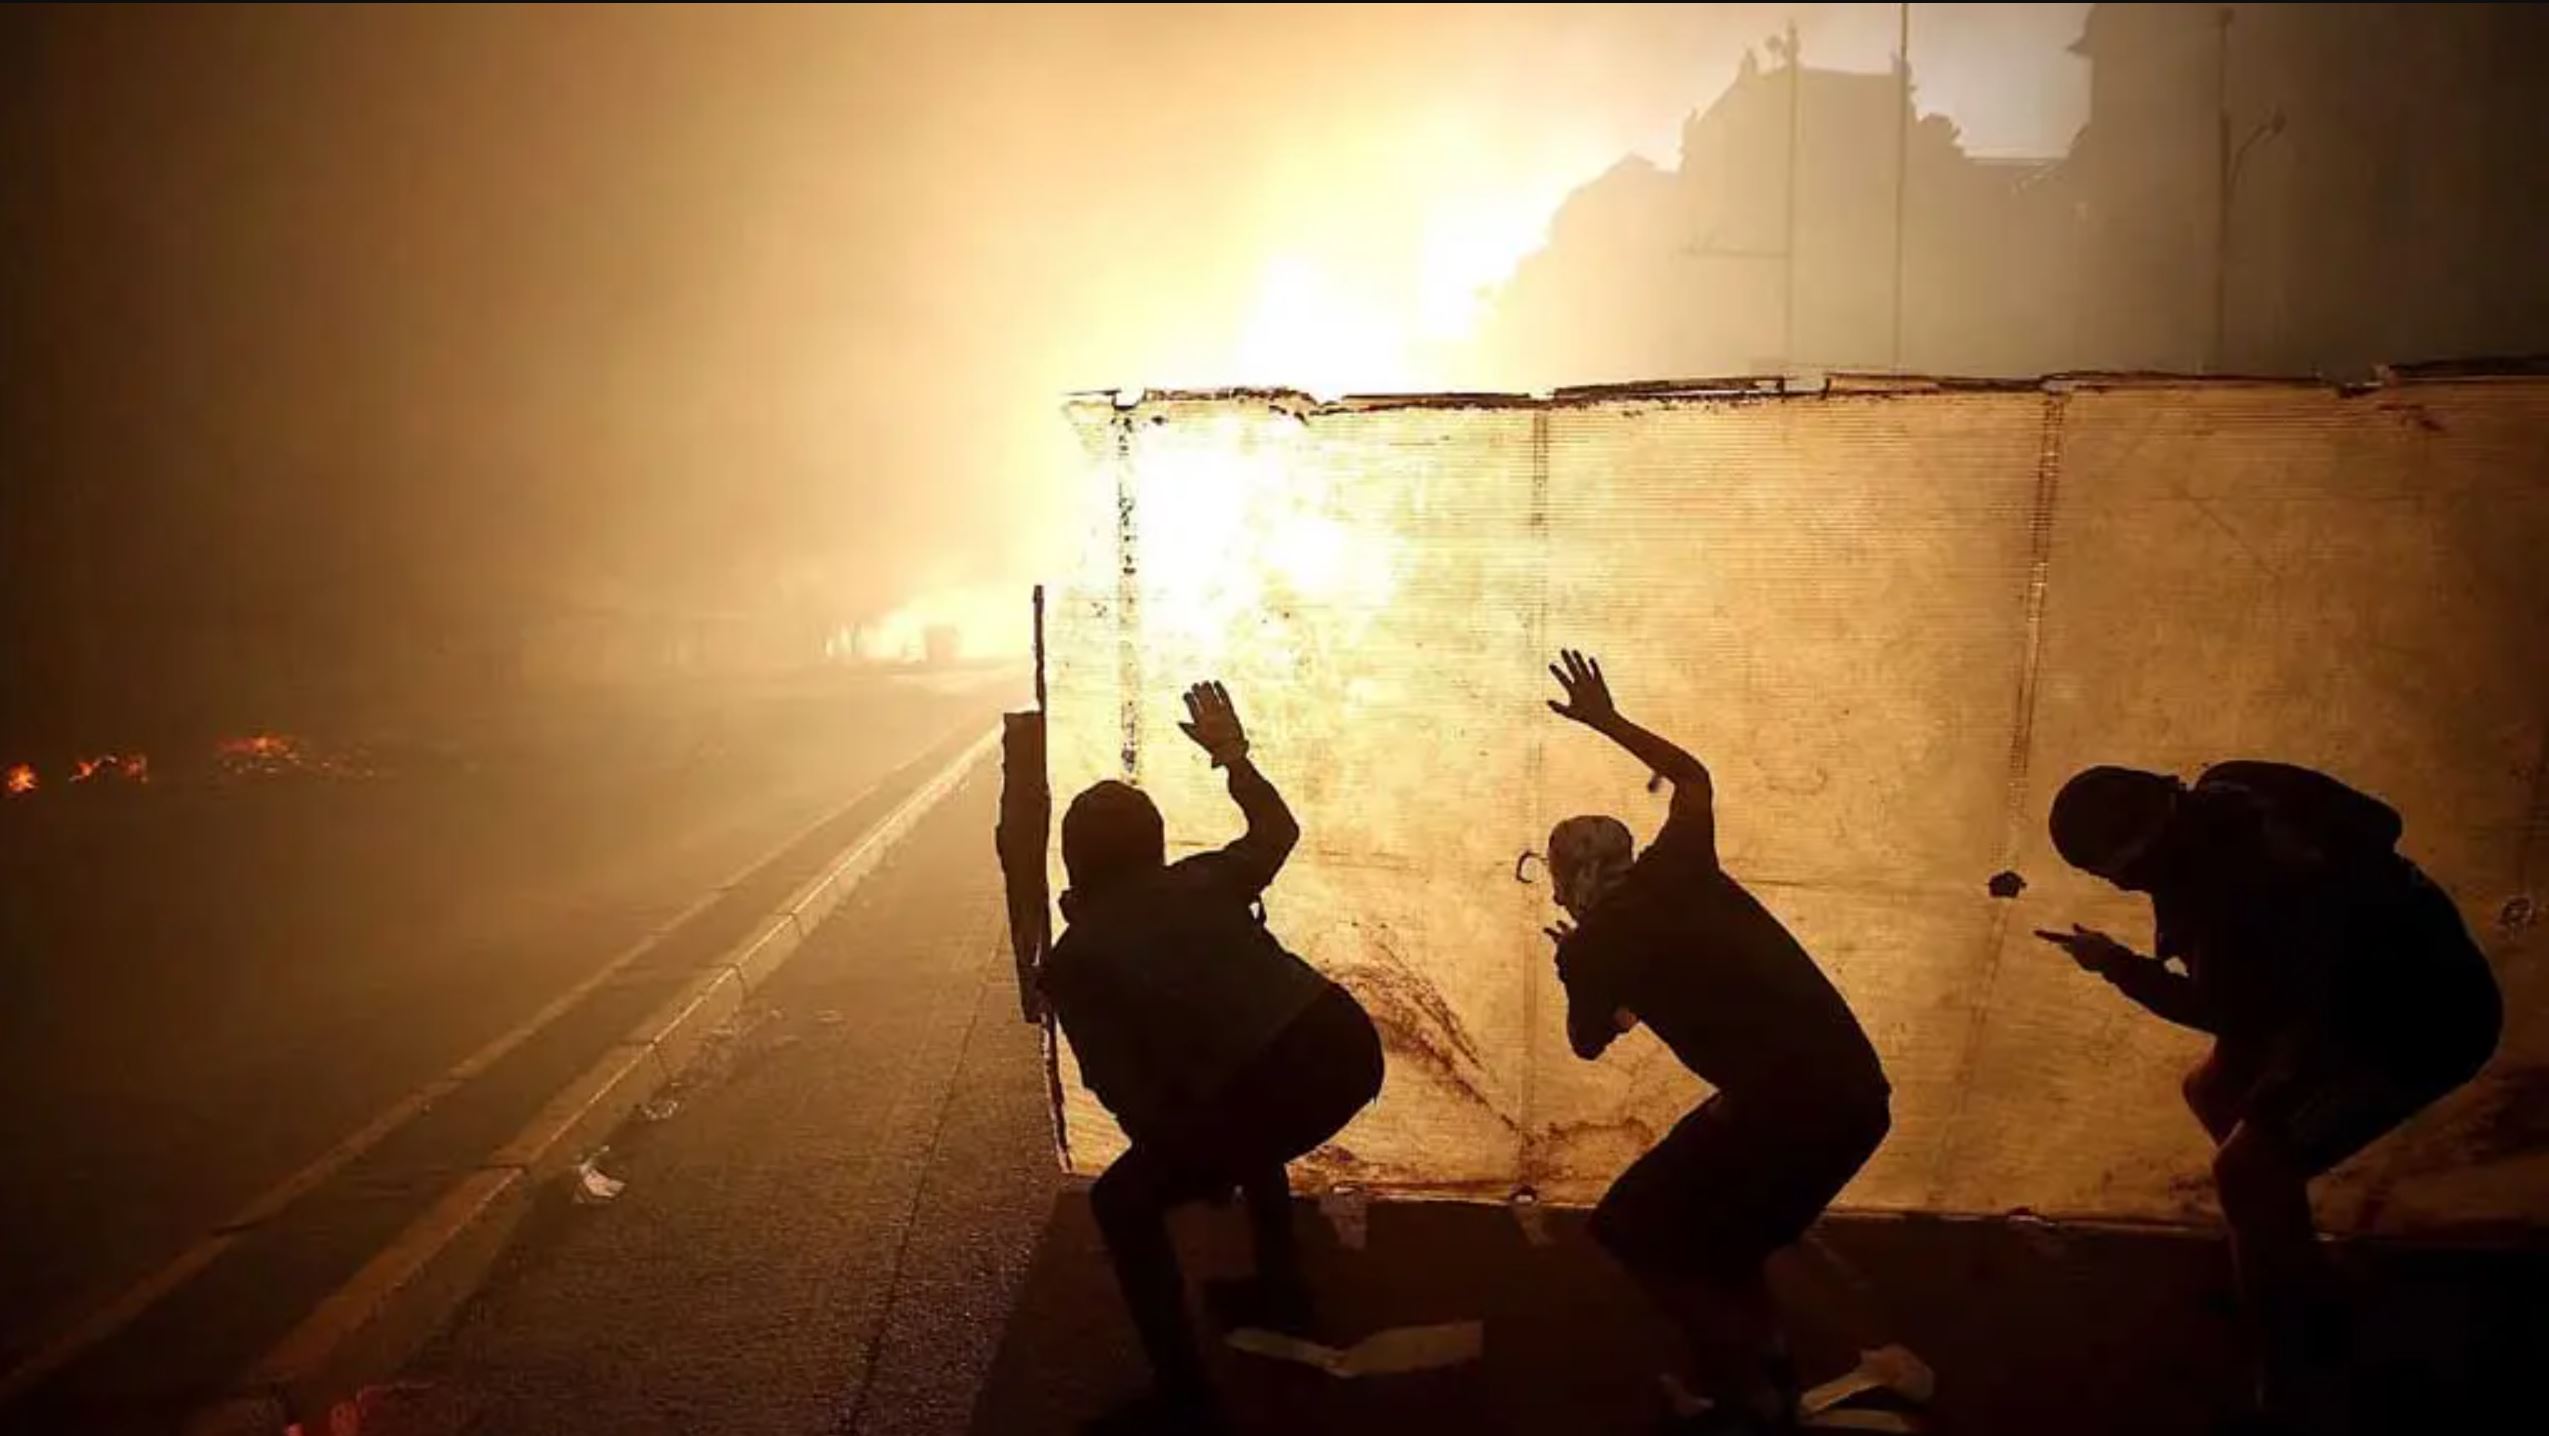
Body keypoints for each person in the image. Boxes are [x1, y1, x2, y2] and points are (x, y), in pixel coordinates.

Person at [2038, 761, 2500, 1431]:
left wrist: (2117, 966)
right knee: (2212, 1090)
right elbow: (2382, 819)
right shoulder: (2237, 786)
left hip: (2419, 1022)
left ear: (2128, 862)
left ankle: (2298, 1378)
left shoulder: (2218, 894)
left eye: (2117, 870)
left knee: (2247, 1171)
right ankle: (2291, 1264)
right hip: (2366, 993)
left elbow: (2221, 1011)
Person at [1541, 650, 1894, 1434]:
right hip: (1853, 1090)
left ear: (1564, 880)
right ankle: (1770, 1380)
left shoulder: (1594, 948)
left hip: (1783, 1113)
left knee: (1635, 1230)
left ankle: (1750, 1403)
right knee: (1730, 1242)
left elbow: (1588, 1044)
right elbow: (1692, 776)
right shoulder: (1680, 865)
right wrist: (1607, 721)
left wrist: (1577, 969)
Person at [1040, 680, 1384, 1430]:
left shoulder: (1074, 960)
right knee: (1239, 1095)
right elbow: (1277, 828)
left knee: (1122, 1201)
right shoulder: (1203, 877)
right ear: (1154, 846)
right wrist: (1231, 755)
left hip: (1274, 1081)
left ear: (1074, 862)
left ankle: (1186, 1400)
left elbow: (1123, 1088)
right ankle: (1280, 1287)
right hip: (1348, 1048)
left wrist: (1189, 1163)